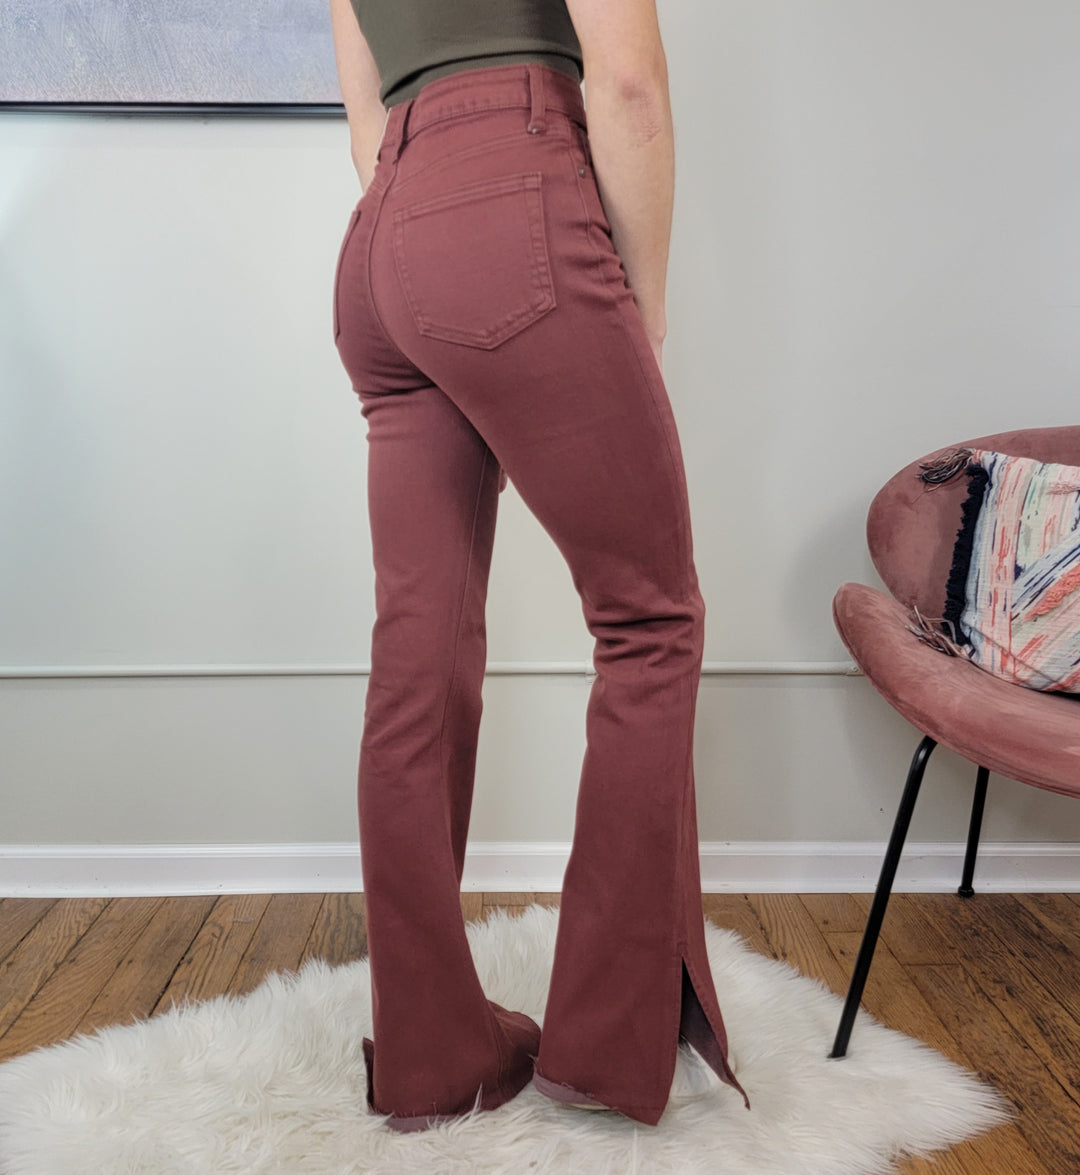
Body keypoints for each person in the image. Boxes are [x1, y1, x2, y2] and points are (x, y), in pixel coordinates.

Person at [328, 0, 752, 1133]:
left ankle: (427, 1056)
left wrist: (428, 229)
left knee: (416, 640)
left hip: (382, 244)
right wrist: (642, 308)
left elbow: (365, 112)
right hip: (509, 189)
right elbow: (624, 83)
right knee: (650, 621)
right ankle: (605, 1048)